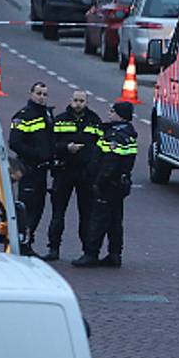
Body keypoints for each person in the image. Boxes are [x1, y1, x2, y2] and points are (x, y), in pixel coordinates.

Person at [73, 101, 138, 268]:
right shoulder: (129, 134)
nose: (109, 114)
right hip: (120, 184)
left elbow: (110, 162)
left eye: (112, 111)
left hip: (108, 185)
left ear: (120, 115)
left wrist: (99, 181)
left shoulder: (114, 136)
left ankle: (91, 253)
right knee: (115, 220)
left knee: (98, 219)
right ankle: (114, 254)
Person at [44, 90, 101, 262]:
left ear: (86, 102)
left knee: (87, 214)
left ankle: (88, 251)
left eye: (81, 101)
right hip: (64, 171)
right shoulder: (60, 119)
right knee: (57, 213)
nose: (78, 104)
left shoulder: (94, 120)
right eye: (76, 100)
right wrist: (66, 148)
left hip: (86, 174)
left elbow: (100, 146)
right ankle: (53, 248)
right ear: (71, 101)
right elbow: (51, 144)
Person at [8, 82, 54, 255]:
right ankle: (22, 244)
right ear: (31, 94)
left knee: (39, 207)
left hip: (42, 170)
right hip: (29, 169)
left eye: (44, 94)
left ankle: (28, 242)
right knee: (27, 208)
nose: (41, 97)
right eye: (38, 93)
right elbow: (15, 142)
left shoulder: (47, 115)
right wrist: (36, 155)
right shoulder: (24, 115)